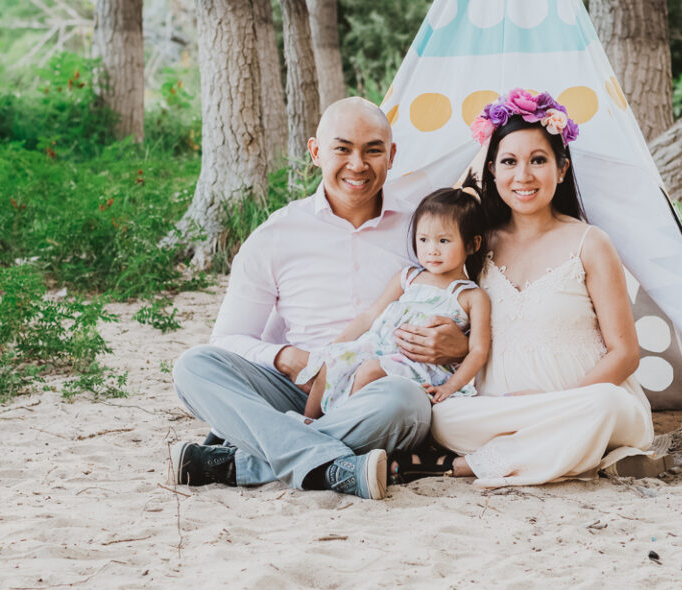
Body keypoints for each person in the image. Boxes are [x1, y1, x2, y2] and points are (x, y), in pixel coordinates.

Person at [170, 98, 470, 500]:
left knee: (406, 402)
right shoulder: (275, 235)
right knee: (194, 366)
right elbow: (227, 338)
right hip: (301, 386)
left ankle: (244, 460)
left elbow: (466, 300)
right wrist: (284, 358)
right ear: (315, 152)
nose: (358, 164)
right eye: (342, 149)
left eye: (373, 150)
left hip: (380, 387)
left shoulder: (425, 230)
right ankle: (333, 465)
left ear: (392, 155)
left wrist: (460, 345)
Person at [427, 89, 655, 487]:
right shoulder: (477, 245)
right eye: (510, 162)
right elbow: (472, 334)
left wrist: (555, 403)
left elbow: (626, 354)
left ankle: (474, 464)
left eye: (538, 161)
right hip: (500, 410)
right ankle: (580, 454)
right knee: (441, 417)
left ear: (562, 169)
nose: (524, 176)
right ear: (492, 171)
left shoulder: (591, 242)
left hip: (589, 402)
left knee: (604, 406)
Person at [301, 186, 491, 419]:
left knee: (370, 371)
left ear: (472, 244)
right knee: (330, 362)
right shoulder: (408, 277)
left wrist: (450, 386)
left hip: (418, 365)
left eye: (443, 241)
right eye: (424, 239)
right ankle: (308, 421)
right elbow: (370, 316)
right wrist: (335, 345)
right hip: (377, 347)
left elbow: (479, 351)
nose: (432, 250)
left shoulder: (470, 296)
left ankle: (337, 428)